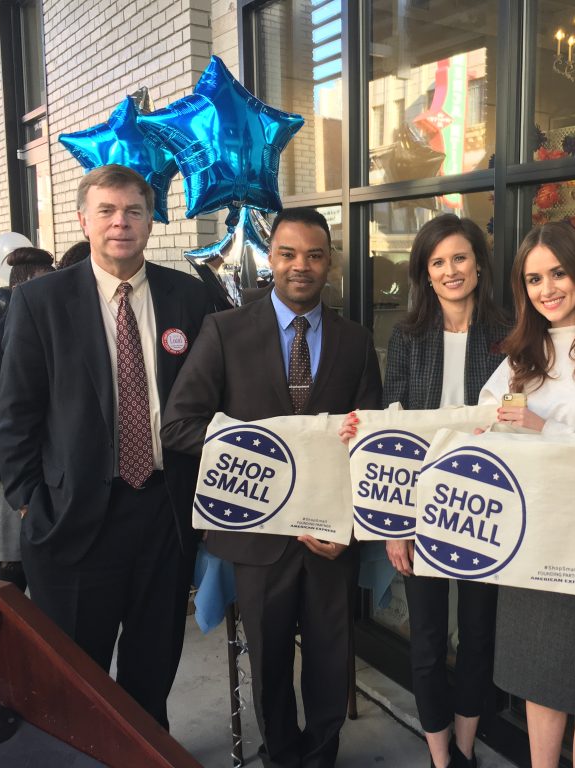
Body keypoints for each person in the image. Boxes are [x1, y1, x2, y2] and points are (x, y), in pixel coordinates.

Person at [161, 207, 383, 768]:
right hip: (258, 538)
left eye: (313, 255)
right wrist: (257, 457)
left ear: (329, 262)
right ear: (271, 260)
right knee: (270, 661)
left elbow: (371, 441)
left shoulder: (356, 342)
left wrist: (352, 525)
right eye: (287, 254)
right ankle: (283, 756)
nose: (300, 266)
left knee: (333, 661)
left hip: (330, 535)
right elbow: (180, 424)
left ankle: (322, 754)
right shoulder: (226, 331)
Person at [0, 164, 212, 728]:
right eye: (108, 211)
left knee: (154, 660)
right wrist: (26, 501)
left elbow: (214, 396)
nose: (122, 222)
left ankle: (143, 746)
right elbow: (14, 413)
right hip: (71, 516)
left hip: (164, 512)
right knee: (74, 668)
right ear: (83, 220)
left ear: (149, 220)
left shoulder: (188, 296)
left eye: (134, 211)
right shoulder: (41, 301)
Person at [339, 214, 509, 768]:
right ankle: (441, 758)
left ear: (479, 266)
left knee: (479, 636)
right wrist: (397, 524)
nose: (450, 270)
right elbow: (395, 436)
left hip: (485, 505)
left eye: (459, 258)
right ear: (425, 275)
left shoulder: (508, 333)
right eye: (438, 262)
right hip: (421, 509)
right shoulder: (409, 339)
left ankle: (464, 746)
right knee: (430, 639)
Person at [479, 221, 575, 768]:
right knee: (538, 675)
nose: (547, 288)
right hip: (531, 533)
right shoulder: (521, 355)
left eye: (559, 273)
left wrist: (542, 429)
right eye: (533, 278)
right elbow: (487, 424)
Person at [0, 247, 55, 590]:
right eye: (47, 283)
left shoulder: (60, 330)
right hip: (11, 462)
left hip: (55, 459)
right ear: (25, 287)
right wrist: (32, 412)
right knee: (13, 559)